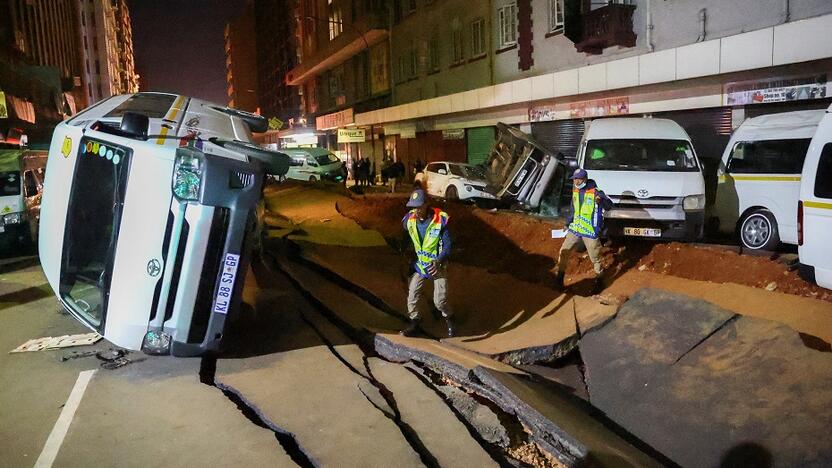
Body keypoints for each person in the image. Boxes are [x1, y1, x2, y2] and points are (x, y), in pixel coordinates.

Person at [400, 188, 454, 338]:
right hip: (421, 265)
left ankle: (450, 318)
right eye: (413, 206)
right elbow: (405, 237)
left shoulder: (439, 221)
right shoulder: (409, 220)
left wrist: (439, 261)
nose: (416, 210)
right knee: (412, 296)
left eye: (419, 206)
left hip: (437, 266)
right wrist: (404, 252)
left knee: (440, 300)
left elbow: (448, 245)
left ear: (426, 204)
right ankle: (415, 322)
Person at [554, 168, 613, 294]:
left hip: (590, 230)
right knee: (564, 252)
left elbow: (609, 205)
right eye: (574, 179)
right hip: (575, 228)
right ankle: (559, 277)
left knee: (595, 257)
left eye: (578, 179)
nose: (575, 181)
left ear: (584, 179)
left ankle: (599, 280)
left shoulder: (596, 192)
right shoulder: (575, 190)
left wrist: (601, 200)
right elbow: (573, 208)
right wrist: (568, 223)